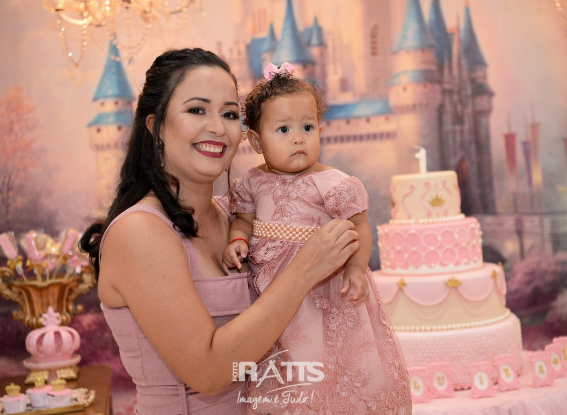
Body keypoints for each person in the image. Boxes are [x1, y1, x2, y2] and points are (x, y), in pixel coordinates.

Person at [79, 49, 361, 415]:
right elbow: (209, 373)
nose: (217, 127)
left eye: (229, 114)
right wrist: (305, 270)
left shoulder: (234, 217)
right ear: (156, 126)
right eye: (197, 110)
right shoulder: (140, 231)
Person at [222, 63, 412, 414]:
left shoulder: (333, 183)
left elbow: (359, 227)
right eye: (283, 129)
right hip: (274, 295)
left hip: (327, 293)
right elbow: (244, 220)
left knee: (334, 358)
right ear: (256, 140)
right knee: (286, 363)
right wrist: (238, 241)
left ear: (320, 130)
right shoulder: (251, 183)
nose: (298, 138)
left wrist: (355, 270)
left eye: (307, 127)